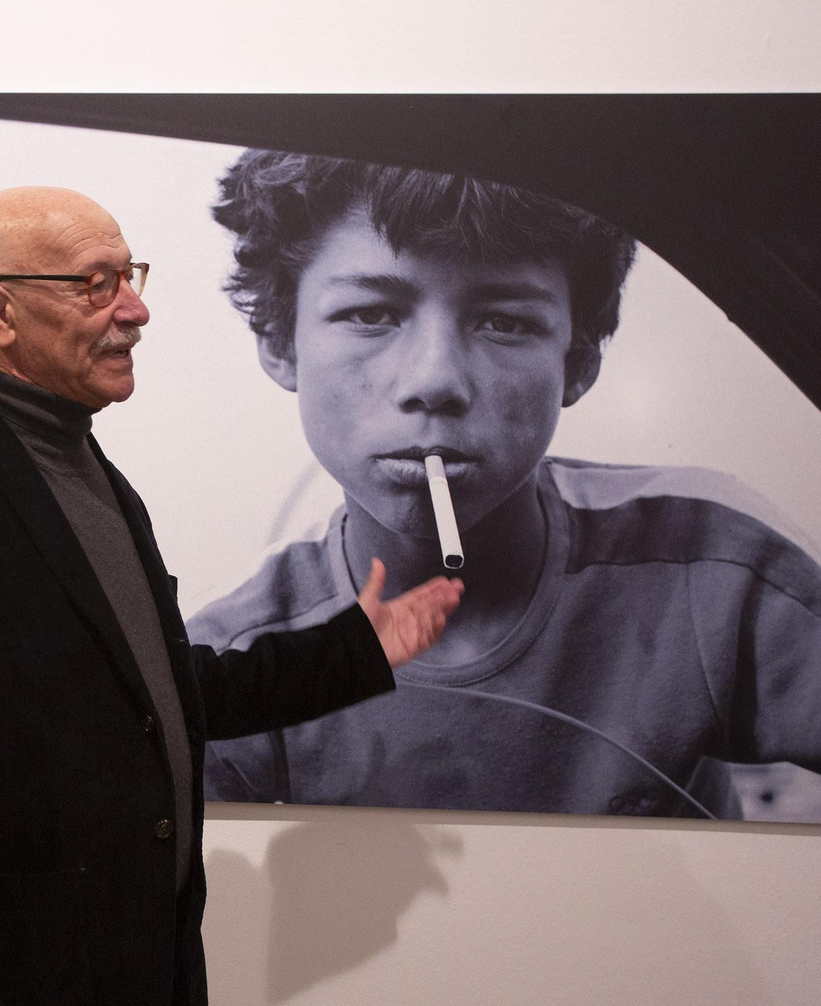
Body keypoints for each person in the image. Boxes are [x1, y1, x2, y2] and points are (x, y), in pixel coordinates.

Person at [0, 186, 463, 1006]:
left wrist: (360, 647)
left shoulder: (102, 485)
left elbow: (152, 693)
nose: (135, 308)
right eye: (96, 284)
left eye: (131, 276)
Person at [199, 151, 821, 820]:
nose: (435, 379)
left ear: (577, 361)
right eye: (371, 313)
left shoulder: (712, 561)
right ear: (279, 341)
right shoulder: (231, 670)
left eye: (506, 321)